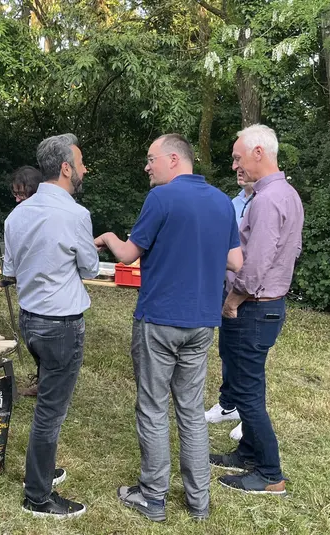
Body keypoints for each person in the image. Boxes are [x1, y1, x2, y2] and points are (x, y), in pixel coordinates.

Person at [95, 134, 242, 522]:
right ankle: (199, 502)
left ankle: (153, 497)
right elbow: (237, 261)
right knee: (191, 411)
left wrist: (107, 237)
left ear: (174, 160)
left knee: (153, 408)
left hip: (159, 320)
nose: (147, 167)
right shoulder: (222, 202)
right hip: (201, 324)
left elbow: (128, 254)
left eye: (150, 159)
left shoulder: (161, 198)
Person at [3, 133, 98, 519]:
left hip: (30, 322)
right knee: (49, 413)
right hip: (61, 325)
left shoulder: (16, 214)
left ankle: (39, 472)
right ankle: (37, 497)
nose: (84, 169)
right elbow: (90, 268)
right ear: (65, 168)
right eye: (80, 162)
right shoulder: (75, 215)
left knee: (46, 405)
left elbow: (9, 270)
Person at [209, 124, 303, 496]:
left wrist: (233, 299)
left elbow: (257, 259)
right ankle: (247, 452)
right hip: (268, 306)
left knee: (246, 392)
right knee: (251, 386)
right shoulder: (288, 194)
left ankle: (269, 473)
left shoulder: (265, 200)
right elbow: (290, 252)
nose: (235, 165)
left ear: (259, 152)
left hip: (252, 307)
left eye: (237, 157)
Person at [207, 166, 254, 441]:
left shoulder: (264, 203)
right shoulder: (231, 203)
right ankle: (229, 405)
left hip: (252, 291)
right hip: (227, 287)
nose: (237, 168)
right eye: (234, 162)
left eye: (242, 162)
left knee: (247, 356)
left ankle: (249, 416)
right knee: (228, 349)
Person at [8, 165, 45, 397]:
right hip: (29, 288)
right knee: (32, 337)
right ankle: (43, 381)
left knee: (46, 340)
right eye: (15, 194)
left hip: (50, 288)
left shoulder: (50, 214)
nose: (17, 200)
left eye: (21, 195)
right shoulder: (16, 217)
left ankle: (48, 386)